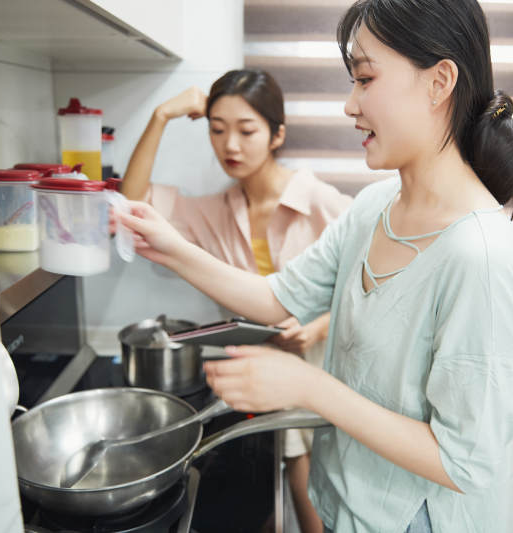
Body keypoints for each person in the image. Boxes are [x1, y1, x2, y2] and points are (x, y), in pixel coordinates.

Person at [115, 0, 513, 531]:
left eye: (365, 78)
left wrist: (307, 387)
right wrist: (169, 246)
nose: (350, 105)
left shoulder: (480, 255)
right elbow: (277, 297)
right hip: (342, 503)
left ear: (439, 82)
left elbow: (463, 460)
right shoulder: (373, 207)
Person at [121, 68, 351, 533]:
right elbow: (130, 205)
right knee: (272, 486)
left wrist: (318, 326)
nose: (230, 146)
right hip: (255, 377)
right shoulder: (214, 211)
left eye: (246, 131)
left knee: (306, 474)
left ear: (276, 134)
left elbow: (373, 282)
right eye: (217, 129)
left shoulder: (324, 203)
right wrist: (161, 114)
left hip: (324, 372)